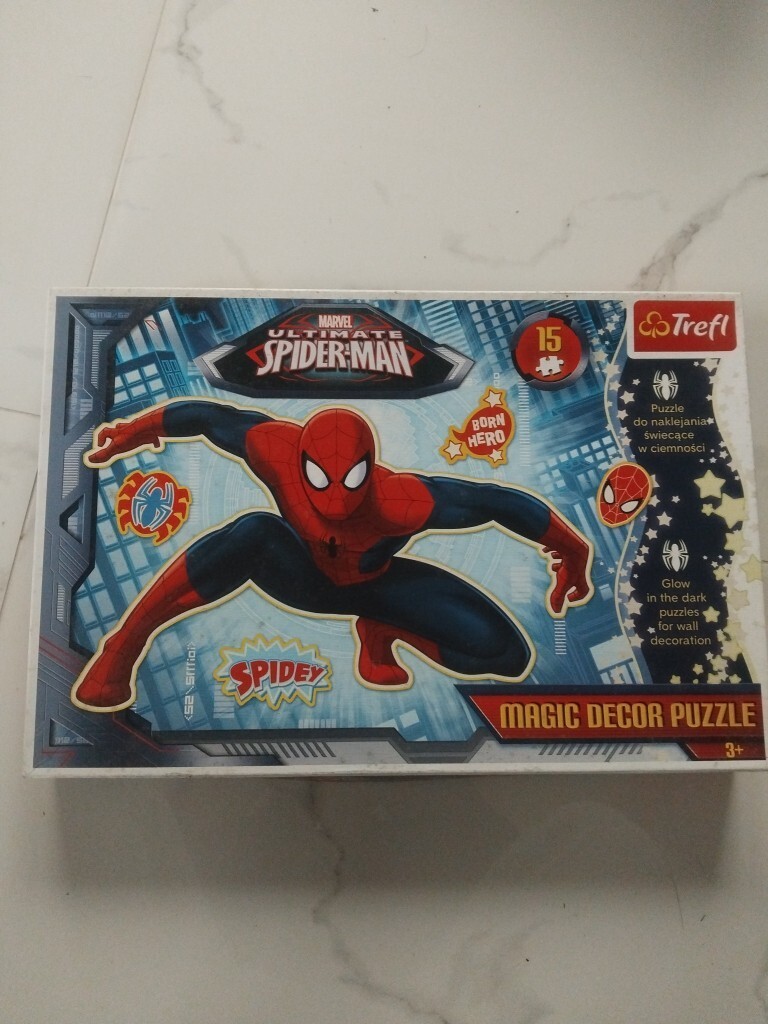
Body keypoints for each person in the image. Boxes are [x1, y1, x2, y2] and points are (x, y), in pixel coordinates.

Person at [72, 400, 593, 711]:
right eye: (321, 479)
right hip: (301, 576)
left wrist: (573, 550)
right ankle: (123, 645)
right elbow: (209, 417)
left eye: (353, 479)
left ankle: (382, 632)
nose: (337, 500)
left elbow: (498, 503)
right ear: (299, 460)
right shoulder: (272, 446)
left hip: (377, 586)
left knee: (508, 657)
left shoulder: (402, 501)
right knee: (254, 530)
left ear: (370, 467)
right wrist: (133, 432)